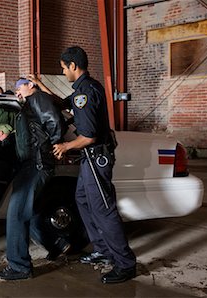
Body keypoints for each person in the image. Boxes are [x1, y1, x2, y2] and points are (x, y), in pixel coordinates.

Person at [29, 46, 137, 284]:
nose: (63, 72)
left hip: (96, 157)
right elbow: (61, 103)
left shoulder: (84, 94)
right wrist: (39, 85)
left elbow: (89, 137)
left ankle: (125, 263)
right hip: (89, 159)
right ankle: (103, 250)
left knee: (104, 210)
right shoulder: (85, 89)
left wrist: (65, 147)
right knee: (82, 200)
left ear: (73, 66)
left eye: (64, 68)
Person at [0, 78, 68, 281]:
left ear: (31, 85)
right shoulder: (30, 104)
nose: (18, 91)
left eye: (20, 87)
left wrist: (56, 145)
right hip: (29, 164)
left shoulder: (37, 98)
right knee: (33, 210)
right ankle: (57, 244)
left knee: (16, 213)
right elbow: (33, 131)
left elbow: (54, 121)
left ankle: (19, 267)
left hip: (36, 165)